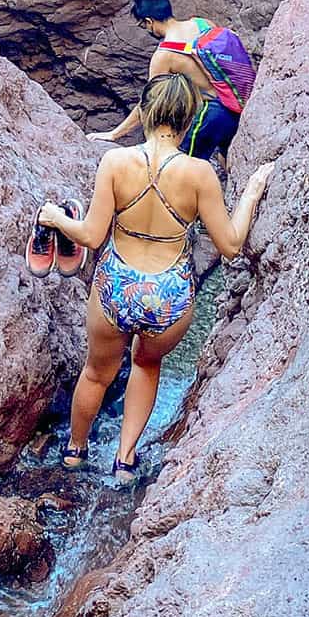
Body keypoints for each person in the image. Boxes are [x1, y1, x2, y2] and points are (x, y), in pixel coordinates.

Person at [39, 72, 272, 480]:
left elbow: (92, 235)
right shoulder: (200, 174)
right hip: (169, 295)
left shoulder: (115, 162)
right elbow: (231, 246)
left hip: (116, 285)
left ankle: (74, 452)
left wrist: (57, 218)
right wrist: (251, 192)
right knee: (146, 366)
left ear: (144, 112)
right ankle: (125, 461)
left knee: (97, 372)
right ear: (188, 121)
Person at [89, 0, 257, 163]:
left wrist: (114, 134)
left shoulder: (164, 55)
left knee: (182, 165)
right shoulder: (203, 24)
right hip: (237, 103)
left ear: (149, 21)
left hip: (212, 114)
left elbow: (149, 103)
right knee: (229, 159)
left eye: (143, 25)